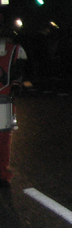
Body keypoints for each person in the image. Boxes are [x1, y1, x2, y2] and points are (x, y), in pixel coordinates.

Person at [0, 22, 27, 190]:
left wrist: (17, 83)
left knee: (3, 139)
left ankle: (2, 173)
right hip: (4, 97)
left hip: (4, 98)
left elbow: (20, 70)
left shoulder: (16, 50)